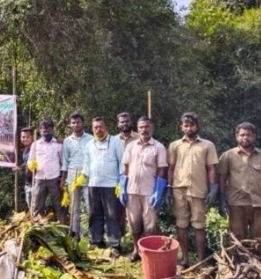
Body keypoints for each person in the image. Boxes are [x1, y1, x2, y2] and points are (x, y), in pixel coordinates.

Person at [167, 112, 218, 267]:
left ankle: (201, 261)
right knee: (181, 224)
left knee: (199, 225)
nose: (189, 128)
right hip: (179, 189)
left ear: (197, 126)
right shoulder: (175, 145)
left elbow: (211, 168)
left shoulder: (207, 145)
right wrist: (168, 189)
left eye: (192, 125)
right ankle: (185, 259)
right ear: (181, 127)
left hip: (198, 190)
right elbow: (170, 168)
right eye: (186, 125)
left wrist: (213, 188)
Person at [118, 116, 168, 262]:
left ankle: (149, 253)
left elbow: (162, 170)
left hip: (149, 192)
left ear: (151, 128)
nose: (143, 130)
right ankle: (136, 251)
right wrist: (122, 187)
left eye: (146, 127)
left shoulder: (158, 147)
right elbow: (125, 167)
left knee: (150, 225)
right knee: (134, 224)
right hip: (132, 190)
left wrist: (159, 191)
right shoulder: (131, 146)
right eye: (140, 127)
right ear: (137, 128)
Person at [82, 117, 125, 256]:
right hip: (93, 184)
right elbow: (86, 164)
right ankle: (96, 241)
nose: (98, 130)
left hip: (111, 185)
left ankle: (115, 244)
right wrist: (82, 176)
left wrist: (121, 182)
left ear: (106, 128)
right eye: (95, 127)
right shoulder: (89, 144)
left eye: (101, 127)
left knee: (112, 215)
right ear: (92, 129)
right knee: (95, 214)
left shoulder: (116, 142)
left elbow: (122, 163)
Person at [217, 122, 261, 240]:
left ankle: (255, 259)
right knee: (237, 238)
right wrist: (222, 200)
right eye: (242, 135)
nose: (245, 137)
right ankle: (236, 259)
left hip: (258, 204)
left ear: (254, 136)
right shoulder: (228, 156)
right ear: (237, 136)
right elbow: (221, 177)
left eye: (248, 135)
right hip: (236, 203)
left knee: (259, 239)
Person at [27, 120, 65, 224]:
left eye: (48, 131)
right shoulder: (35, 144)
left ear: (52, 130)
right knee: (38, 205)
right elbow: (30, 160)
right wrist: (31, 165)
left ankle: (62, 227)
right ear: (40, 131)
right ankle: (38, 228)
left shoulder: (58, 144)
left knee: (58, 205)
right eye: (44, 131)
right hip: (39, 178)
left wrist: (62, 179)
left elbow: (63, 162)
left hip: (54, 178)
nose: (46, 133)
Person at [62, 113, 93, 239]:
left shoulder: (91, 138)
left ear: (83, 123)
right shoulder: (67, 141)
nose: (76, 125)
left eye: (78, 122)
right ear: (70, 125)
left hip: (87, 177)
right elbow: (65, 161)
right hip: (72, 178)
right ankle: (75, 235)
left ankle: (91, 237)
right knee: (74, 209)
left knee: (90, 207)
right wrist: (63, 179)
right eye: (73, 123)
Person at [13, 127, 34, 210]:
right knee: (30, 207)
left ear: (32, 137)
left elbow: (33, 163)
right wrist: (19, 167)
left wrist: (21, 167)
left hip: (35, 182)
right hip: (27, 183)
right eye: (23, 137)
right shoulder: (25, 149)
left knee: (35, 208)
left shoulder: (36, 148)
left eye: (27, 137)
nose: (25, 139)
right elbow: (27, 163)